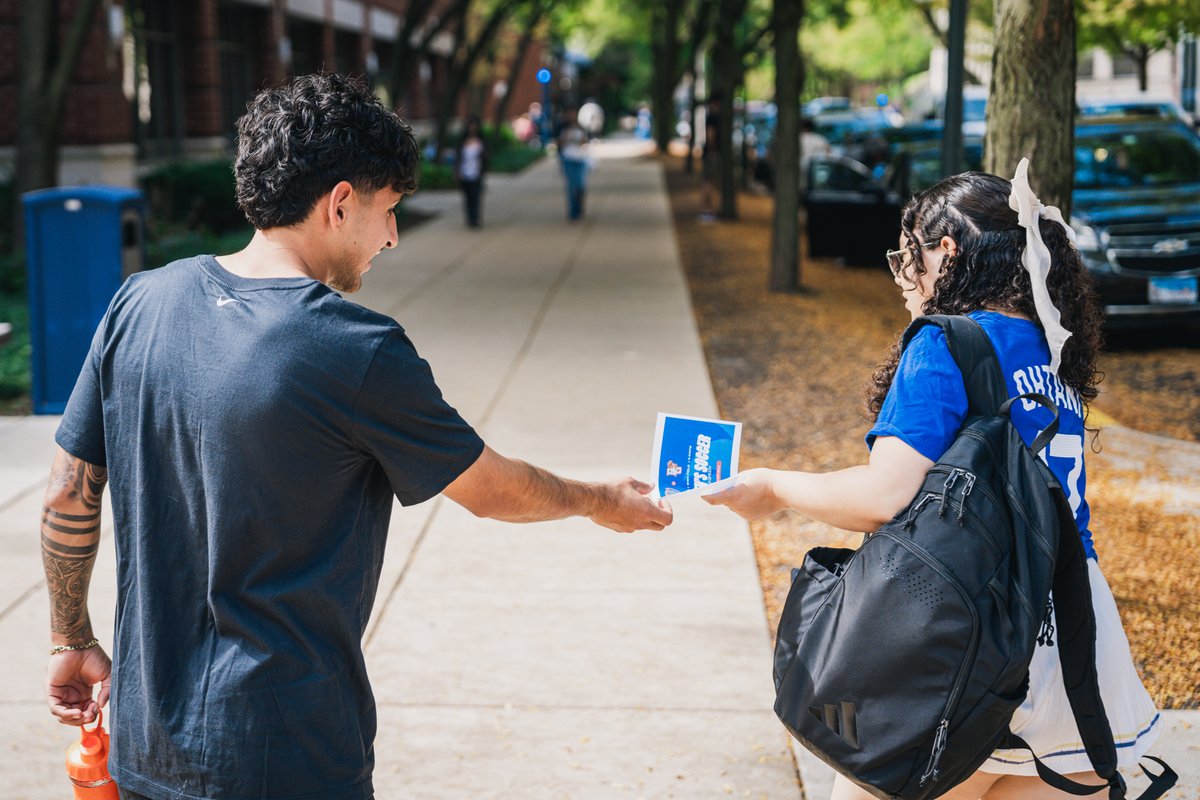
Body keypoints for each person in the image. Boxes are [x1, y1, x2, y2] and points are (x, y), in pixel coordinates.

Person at [39, 73, 672, 800]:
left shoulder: (138, 303)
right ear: (339, 203)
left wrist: (70, 638)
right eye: (388, 210)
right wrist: (601, 500)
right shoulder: (353, 348)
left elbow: (66, 493)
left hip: (145, 751)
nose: (393, 236)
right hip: (287, 757)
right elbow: (492, 490)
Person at [705, 163, 1162, 799]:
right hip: (1076, 639)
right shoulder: (1050, 347)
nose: (901, 276)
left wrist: (773, 487)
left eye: (905, 257)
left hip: (968, 632)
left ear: (945, 251)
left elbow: (882, 497)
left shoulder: (945, 342)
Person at [558, 108, 590, 221]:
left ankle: (579, 208)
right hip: (568, 159)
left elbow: (585, 142)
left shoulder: (581, 128)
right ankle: (573, 212)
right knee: (571, 187)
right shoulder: (562, 128)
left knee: (580, 186)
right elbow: (559, 144)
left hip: (580, 159)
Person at [455, 114, 487, 228]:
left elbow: (486, 157)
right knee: (467, 197)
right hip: (465, 172)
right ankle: (469, 218)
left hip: (476, 173)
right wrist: (457, 171)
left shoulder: (481, 141)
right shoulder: (462, 141)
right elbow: (458, 158)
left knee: (476, 196)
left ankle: (475, 218)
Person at [700, 99, 721, 220]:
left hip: (711, 152)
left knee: (709, 182)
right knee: (709, 182)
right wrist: (712, 151)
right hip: (712, 153)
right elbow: (710, 135)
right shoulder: (713, 117)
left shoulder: (712, 116)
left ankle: (708, 209)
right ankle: (707, 209)